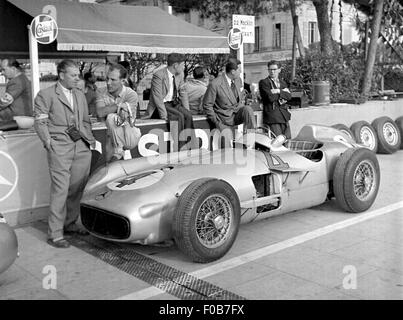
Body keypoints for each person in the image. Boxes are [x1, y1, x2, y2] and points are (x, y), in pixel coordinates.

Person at [34, 59, 95, 249]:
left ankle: (70, 224)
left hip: (81, 146)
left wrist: (89, 140)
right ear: (61, 75)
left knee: (77, 188)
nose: (78, 79)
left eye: (78, 75)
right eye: (73, 75)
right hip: (59, 147)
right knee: (60, 190)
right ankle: (55, 233)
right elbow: (40, 122)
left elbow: (85, 121)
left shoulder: (79, 94)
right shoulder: (45, 95)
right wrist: (48, 142)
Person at [144, 53, 196, 150]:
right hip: (161, 105)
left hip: (173, 103)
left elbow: (183, 93)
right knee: (178, 116)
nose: (184, 67)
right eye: (183, 65)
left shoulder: (180, 74)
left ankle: (191, 146)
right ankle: (179, 148)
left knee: (188, 115)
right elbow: (157, 98)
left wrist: (186, 110)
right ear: (175, 65)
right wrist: (164, 116)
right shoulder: (158, 75)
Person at [95, 63, 141, 162]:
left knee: (111, 117)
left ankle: (118, 152)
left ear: (123, 81)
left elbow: (125, 118)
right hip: (111, 138)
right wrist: (120, 106)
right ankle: (118, 154)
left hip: (129, 135)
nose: (108, 83)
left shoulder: (131, 94)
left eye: (113, 80)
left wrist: (110, 109)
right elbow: (100, 112)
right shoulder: (100, 91)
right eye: (107, 79)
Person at [203, 59, 256, 139]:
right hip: (223, 119)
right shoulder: (215, 84)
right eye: (239, 70)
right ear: (233, 71)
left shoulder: (238, 80)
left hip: (237, 113)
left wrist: (245, 101)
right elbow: (207, 106)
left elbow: (240, 97)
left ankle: (251, 138)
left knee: (248, 109)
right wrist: (218, 123)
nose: (241, 72)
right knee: (228, 147)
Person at [258, 60, 292, 139]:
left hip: (284, 115)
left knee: (288, 140)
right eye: (270, 69)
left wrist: (277, 91)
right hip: (272, 116)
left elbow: (289, 96)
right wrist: (283, 93)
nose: (272, 72)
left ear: (279, 70)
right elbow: (270, 97)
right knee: (277, 142)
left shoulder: (283, 82)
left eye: (274, 69)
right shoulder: (264, 82)